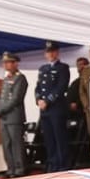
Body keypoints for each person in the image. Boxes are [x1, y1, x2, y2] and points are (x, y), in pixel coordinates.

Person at [35, 41, 71, 172]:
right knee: (49, 138)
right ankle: (52, 164)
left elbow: (61, 87)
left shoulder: (63, 67)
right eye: (48, 52)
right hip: (44, 110)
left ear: (57, 52)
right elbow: (38, 87)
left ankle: (63, 165)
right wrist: (38, 99)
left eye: (52, 51)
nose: (50, 54)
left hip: (56, 108)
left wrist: (47, 101)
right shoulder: (43, 69)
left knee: (59, 137)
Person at [0, 52, 29, 177]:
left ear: (15, 63)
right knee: (6, 144)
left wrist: (2, 110)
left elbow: (16, 99)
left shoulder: (20, 78)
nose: (5, 64)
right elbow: (1, 97)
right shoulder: (6, 78)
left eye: (8, 62)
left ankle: (19, 168)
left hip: (14, 115)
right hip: (4, 117)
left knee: (16, 144)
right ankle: (10, 168)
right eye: (4, 62)